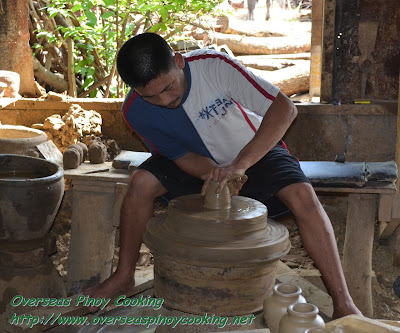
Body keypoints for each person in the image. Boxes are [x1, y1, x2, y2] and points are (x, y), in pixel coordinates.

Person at [85, 32, 361, 319]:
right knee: (141, 182)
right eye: (150, 96)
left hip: (254, 151)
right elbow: (182, 156)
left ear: (178, 61)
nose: (164, 100)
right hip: (201, 166)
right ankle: (124, 275)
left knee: (303, 196)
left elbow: (285, 109)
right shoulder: (136, 111)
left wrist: (239, 166)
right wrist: (218, 177)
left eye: (168, 88)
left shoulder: (214, 66)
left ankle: (343, 302)